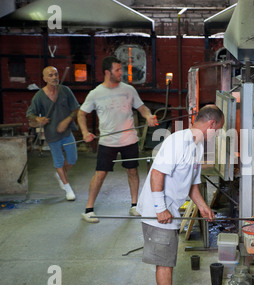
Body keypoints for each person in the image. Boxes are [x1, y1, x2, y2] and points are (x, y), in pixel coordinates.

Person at [137, 104, 224, 285]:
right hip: (158, 211)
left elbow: (192, 183)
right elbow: (157, 174)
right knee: (165, 263)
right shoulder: (177, 142)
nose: (217, 134)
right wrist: (160, 208)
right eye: (218, 130)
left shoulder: (198, 146)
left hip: (171, 210)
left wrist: (203, 207)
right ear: (211, 124)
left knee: (167, 259)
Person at [78, 56, 158, 223]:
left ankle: (135, 205)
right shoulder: (96, 93)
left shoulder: (129, 90)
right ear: (107, 72)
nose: (121, 73)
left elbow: (142, 108)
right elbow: (81, 113)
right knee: (100, 174)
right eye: (117, 70)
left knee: (133, 171)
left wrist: (149, 116)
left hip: (129, 139)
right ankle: (89, 209)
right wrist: (85, 132)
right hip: (108, 142)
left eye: (121, 69)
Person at [26, 66, 79, 201]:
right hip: (52, 134)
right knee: (58, 162)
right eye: (50, 75)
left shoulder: (65, 90)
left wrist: (66, 120)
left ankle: (61, 175)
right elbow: (30, 115)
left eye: (56, 74)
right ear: (44, 78)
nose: (54, 77)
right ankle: (68, 189)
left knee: (72, 159)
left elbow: (76, 109)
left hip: (67, 132)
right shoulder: (39, 96)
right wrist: (38, 119)